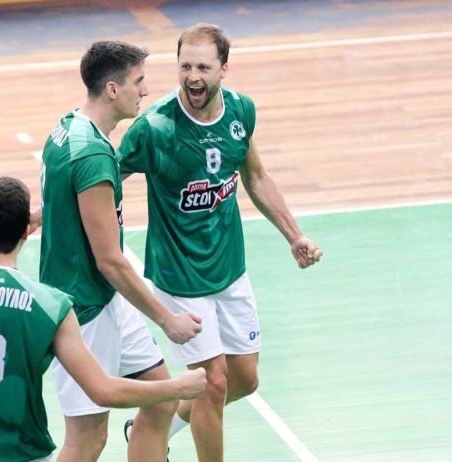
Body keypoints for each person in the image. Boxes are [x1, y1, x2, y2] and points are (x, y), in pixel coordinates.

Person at [118, 23, 323, 462]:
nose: (193, 77)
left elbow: (255, 176)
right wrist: (56, 214)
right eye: (185, 66)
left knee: (244, 379)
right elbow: (104, 178)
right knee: (212, 383)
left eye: (203, 68)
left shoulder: (240, 111)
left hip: (229, 268)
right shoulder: (155, 128)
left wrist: (295, 235)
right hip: (178, 274)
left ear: (224, 70)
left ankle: (154, 427)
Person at [0, 177, 207, 462]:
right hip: (18, 454)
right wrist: (178, 388)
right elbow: (103, 391)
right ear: (25, 232)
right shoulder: (48, 305)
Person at [38, 41, 203, 462]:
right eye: (138, 81)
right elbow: (110, 260)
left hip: (106, 300)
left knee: (162, 399)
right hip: (84, 311)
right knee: (88, 440)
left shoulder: (68, 127)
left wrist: (43, 213)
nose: (145, 91)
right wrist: (167, 319)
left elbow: (64, 193)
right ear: (112, 89)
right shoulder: (94, 155)